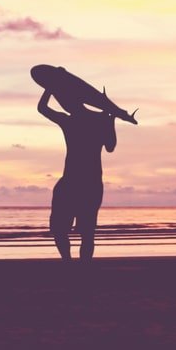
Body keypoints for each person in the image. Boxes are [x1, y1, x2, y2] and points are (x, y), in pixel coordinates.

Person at [38, 89, 117, 261]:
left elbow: (42, 108)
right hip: (87, 183)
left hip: (78, 183)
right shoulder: (97, 120)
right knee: (83, 232)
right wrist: (110, 120)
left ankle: (71, 263)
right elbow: (111, 146)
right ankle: (75, 264)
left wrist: (50, 88)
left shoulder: (69, 121)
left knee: (79, 231)